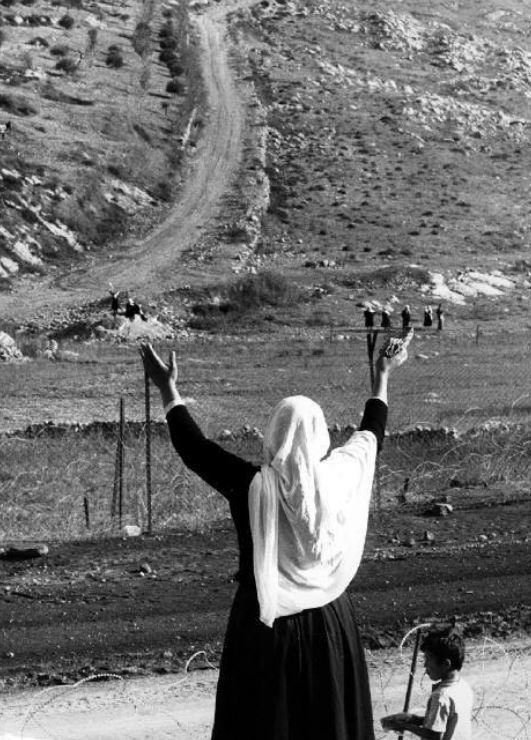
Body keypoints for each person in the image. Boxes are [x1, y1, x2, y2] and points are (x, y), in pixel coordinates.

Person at [140, 338, 410, 740]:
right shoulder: (341, 475)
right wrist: (382, 376)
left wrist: (168, 389)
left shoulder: (253, 488)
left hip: (265, 627)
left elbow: (195, 449)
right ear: (319, 434)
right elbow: (372, 432)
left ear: (273, 433)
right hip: (331, 623)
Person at [381, 624, 473, 739]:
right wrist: (416, 720)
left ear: (445, 664)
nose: (425, 665)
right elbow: (445, 721)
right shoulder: (463, 686)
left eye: (428, 659)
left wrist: (405, 726)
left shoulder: (441, 696)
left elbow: (435, 735)